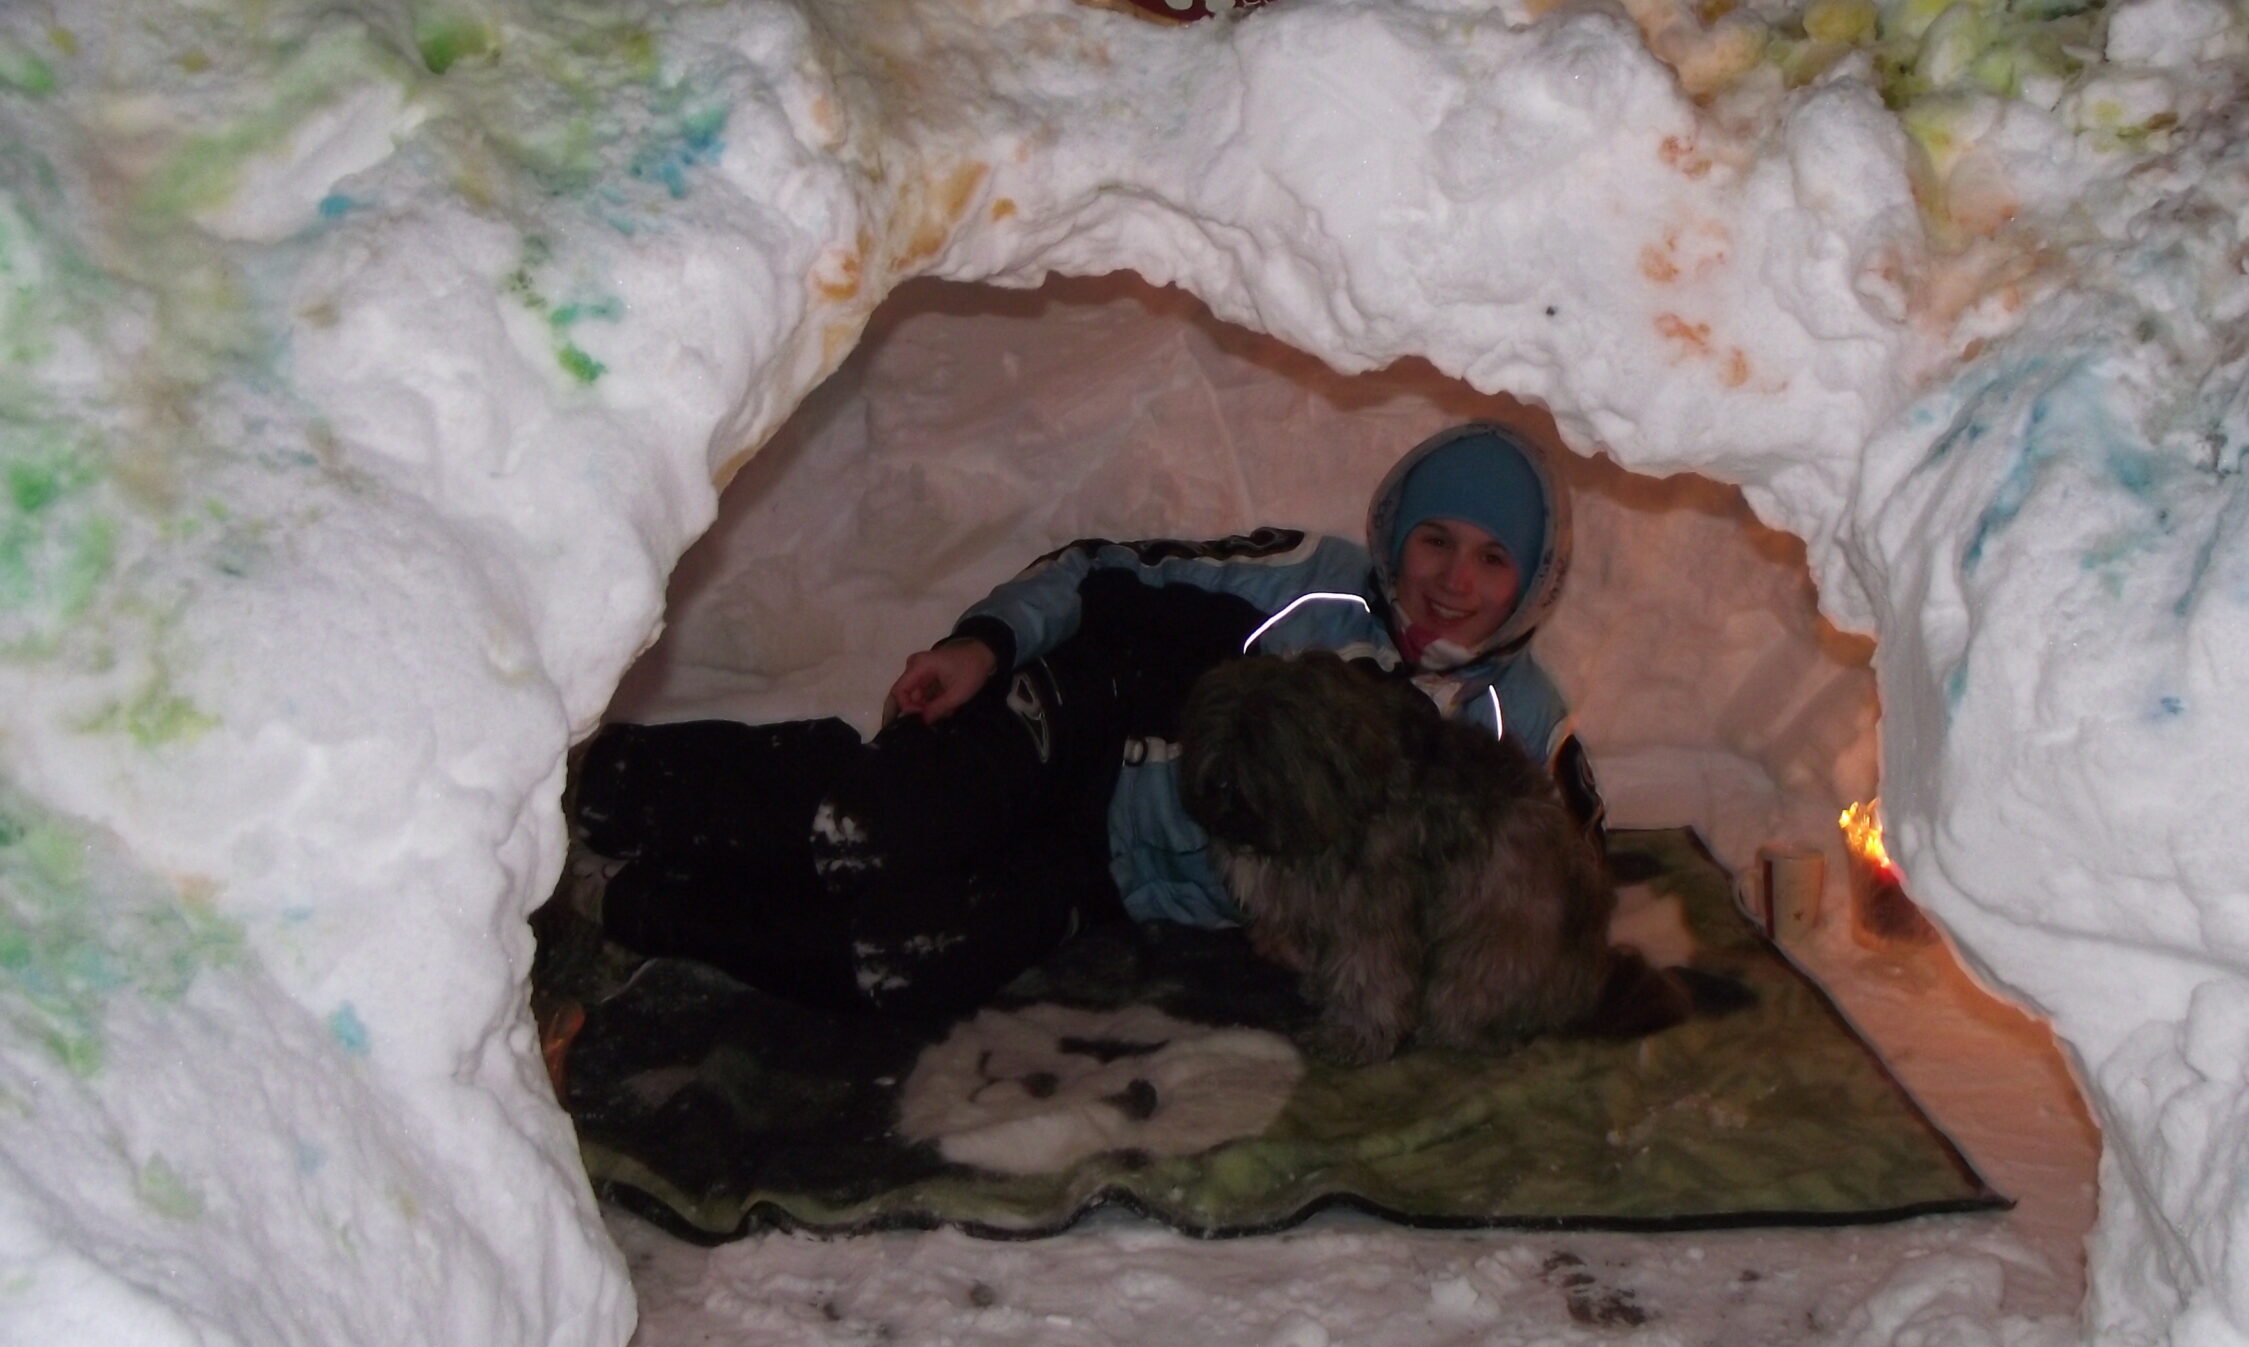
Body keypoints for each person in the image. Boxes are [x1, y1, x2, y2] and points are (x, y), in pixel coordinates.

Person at [570, 419, 1606, 1018]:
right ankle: (593, 784)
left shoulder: (1517, 727)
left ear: (1532, 580)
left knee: (906, 960)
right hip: (1070, 734)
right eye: (1435, 541)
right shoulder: (1310, 586)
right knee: (875, 830)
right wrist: (985, 645)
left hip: (1106, 875)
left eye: (1492, 558)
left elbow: (1552, 909)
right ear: (1396, 533)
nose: (1453, 581)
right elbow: (1098, 570)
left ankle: (629, 903)